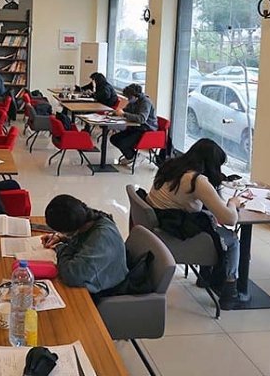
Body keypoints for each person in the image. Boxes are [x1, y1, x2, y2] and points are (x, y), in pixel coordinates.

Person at [146, 138, 241, 310]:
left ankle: (205, 275)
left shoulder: (171, 166)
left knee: (207, 220)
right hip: (173, 234)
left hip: (160, 226)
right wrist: (233, 203)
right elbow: (230, 219)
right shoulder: (196, 180)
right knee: (232, 240)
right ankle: (230, 290)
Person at [40, 195, 128, 294]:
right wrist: (61, 238)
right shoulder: (90, 218)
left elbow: (71, 276)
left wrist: (60, 248)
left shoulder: (100, 237)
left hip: (108, 289)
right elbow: (82, 239)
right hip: (100, 273)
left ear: (72, 231)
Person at [110, 83, 158, 166]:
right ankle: (133, 155)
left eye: (129, 98)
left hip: (145, 129)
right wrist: (116, 113)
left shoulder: (145, 102)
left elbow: (142, 119)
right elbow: (126, 110)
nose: (128, 100)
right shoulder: (133, 101)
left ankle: (132, 157)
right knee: (114, 138)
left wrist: (123, 114)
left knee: (122, 143)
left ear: (136, 96)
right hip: (135, 127)